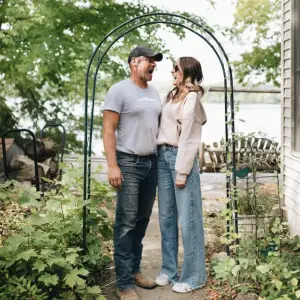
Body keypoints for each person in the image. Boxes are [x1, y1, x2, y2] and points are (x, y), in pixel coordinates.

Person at [102, 45, 163, 300]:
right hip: (128, 162)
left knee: (142, 220)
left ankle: (135, 270)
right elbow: (108, 130)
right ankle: (124, 283)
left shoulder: (155, 92)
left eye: (155, 62)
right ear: (134, 62)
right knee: (126, 222)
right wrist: (113, 165)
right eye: (150, 61)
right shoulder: (118, 90)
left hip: (152, 163)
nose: (154, 65)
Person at [155, 56, 207, 293]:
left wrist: (183, 171)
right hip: (162, 157)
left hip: (179, 158)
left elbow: (190, 136)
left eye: (175, 68)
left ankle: (195, 276)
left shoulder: (192, 97)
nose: (172, 72)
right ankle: (168, 269)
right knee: (166, 217)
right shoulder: (171, 95)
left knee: (189, 220)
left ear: (186, 71)